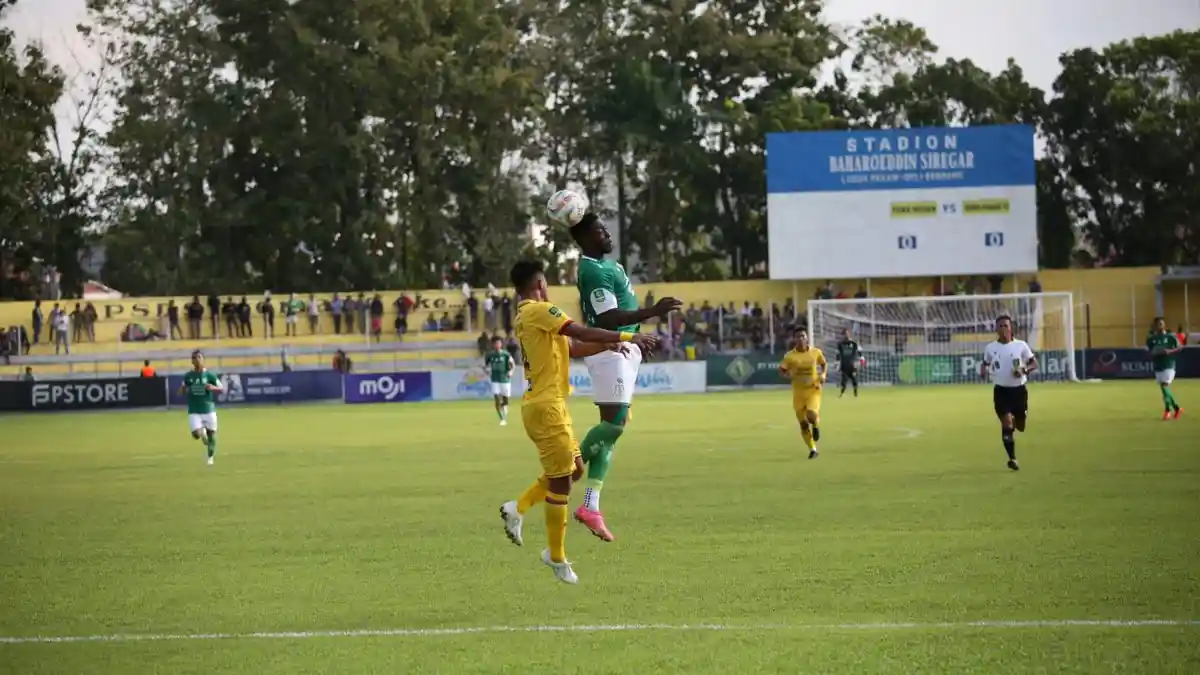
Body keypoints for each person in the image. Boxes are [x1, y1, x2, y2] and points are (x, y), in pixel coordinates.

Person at [497, 260, 658, 584]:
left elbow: (571, 346)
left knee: (575, 470)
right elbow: (578, 330)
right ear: (540, 283)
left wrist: (608, 343)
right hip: (547, 409)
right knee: (560, 482)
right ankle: (555, 557)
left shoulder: (530, 316)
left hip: (549, 406)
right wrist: (628, 334)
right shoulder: (539, 310)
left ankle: (518, 508)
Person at [568, 212, 681, 542]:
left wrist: (636, 337)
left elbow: (621, 314)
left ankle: (591, 505)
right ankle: (566, 463)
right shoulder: (591, 269)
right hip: (609, 350)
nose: (606, 233)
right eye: (599, 231)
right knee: (614, 424)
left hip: (624, 348)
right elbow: (609, 317)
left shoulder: (612, 266)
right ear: (585, 238)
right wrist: (652, 313)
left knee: (613, 431)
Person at [979, 315, 1037, 471]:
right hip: (1001, 391)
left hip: (1018, 391)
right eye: (1000, 326)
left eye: (1005, 325)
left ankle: (1015, 422)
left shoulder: (1021, 345)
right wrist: (983, 372)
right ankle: (1012, 458)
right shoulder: (991, 348)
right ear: (996, 329)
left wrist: (1024, 370)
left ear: (1011, 328)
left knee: (1021, 426)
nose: (1003, 328)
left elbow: (1034, 363)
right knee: (1007, 423)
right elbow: (984, 364)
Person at [779, 327, 827, 459]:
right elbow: (782, 369)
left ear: (807, 338)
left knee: (811, 415)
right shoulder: (790, 356)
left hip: (813, 390)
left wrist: (823, 375)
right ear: (794, 339)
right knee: (803, 424)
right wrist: (788, 374)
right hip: (798, 393)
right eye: (798, 336)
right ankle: (813, 449)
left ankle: (816, 425)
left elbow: (823, 363)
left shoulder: (815, 352)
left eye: (803, 336)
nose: (801, 339)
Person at [178, 350, 224, 466]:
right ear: (192, 361)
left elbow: (222, 388)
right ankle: (201, 433)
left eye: (199, 357)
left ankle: (210, 457)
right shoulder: (188, 376)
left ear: (203, 359)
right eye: (194, 358)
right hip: (194, 410)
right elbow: (181, 391)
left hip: (209, 409)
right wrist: (183, 389)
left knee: (212, 434)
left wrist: (212, 388)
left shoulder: (210, 375)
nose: (197, 359)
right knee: (196, 434)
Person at [1147, 317, 1184, 420]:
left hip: (1169, 365)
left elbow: (1180, 347)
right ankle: (1177, 408)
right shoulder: (1152, 339)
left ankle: (1167, 411)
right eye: (1157, 324)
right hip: (1158, 366)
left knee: (1165, 386)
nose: (1159, 325)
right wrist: (1156, 353)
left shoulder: (1171, 337)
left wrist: (1169, 352)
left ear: (1164, 325)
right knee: (1164, 389)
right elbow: (1151, 352)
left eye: (1161, 323)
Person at [484, 336, 516, 426]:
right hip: (495, 380)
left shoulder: (506, 354)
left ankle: (504, 405)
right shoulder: (490, 355)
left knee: (505, 400)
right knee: (497, 399)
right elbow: (486, 366)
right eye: (495, 343)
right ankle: (502, 419)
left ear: (501, 344)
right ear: (493, 345)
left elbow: (513, 366)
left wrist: (510, 372)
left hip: (505, 380)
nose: (497, 345)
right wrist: (487, 370)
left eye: (498, 343)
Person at [834, 328, 864, 398]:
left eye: (847, 334)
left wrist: (862, 359)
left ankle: (856, 394)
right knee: (844, 381)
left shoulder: (854, 343)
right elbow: (837, 355)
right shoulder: (840, 344)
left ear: (849, 334)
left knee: (854, 380)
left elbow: (860, 352)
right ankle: (841, 394)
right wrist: (836, 364)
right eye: (844, 334)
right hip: (844, 366)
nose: (846, 335)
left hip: (852, 365)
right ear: (843, 335)